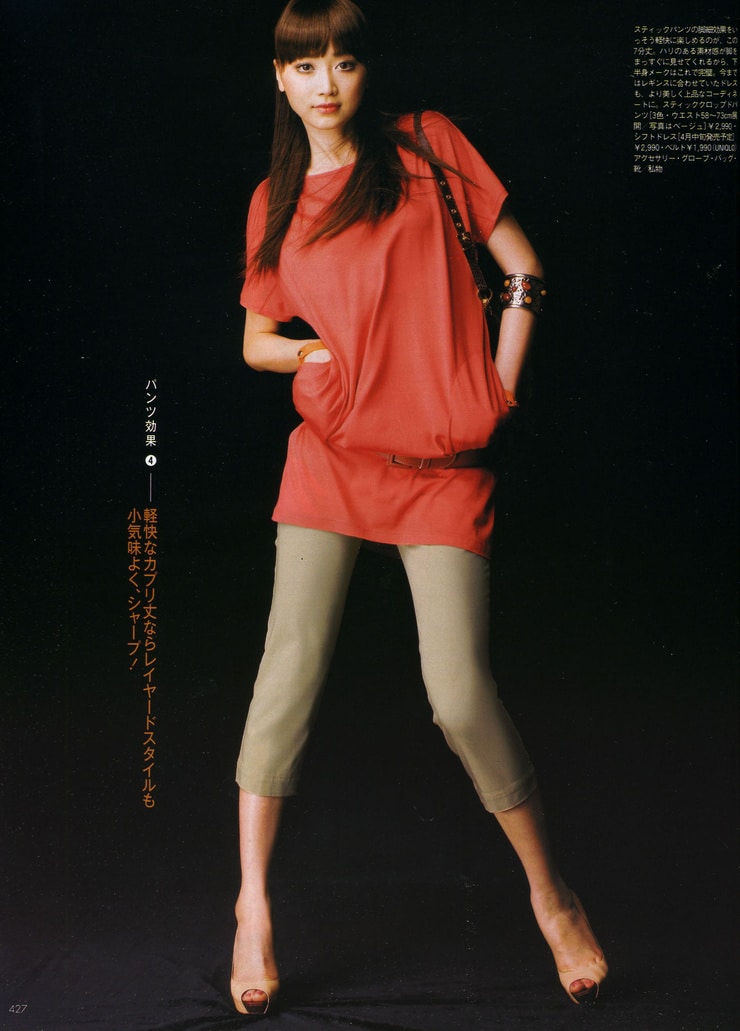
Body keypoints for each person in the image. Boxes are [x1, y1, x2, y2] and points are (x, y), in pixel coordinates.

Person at [231, 0, 607, 1017]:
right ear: (279, 79)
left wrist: (499, 387)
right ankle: (252, 906)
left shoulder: (425, 148)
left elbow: (523, 265)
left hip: (441, 468)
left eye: (343, 62)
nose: (325, 85)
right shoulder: (274, 200)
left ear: (364, 72)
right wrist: (311, 352)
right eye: (304, 66)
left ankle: (550, 893)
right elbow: (256, 339)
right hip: (330, 460)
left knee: (458, 694)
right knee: (286, 677)